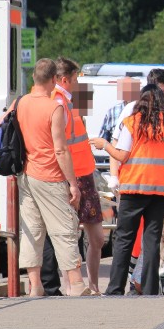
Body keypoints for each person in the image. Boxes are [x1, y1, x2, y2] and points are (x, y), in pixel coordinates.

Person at [0, 58, 89, 297]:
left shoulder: (21, 102)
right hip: (50, 175)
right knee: (65, 228)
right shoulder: (53, 107)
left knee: (32, 230)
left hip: (25, 175)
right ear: (54, 79)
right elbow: (60, 149)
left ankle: (35, 286)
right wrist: (73, 184)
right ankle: (76, 284)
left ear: (34, 78)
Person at [90, 84, 164, 296]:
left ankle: (115, 288)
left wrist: (104, 145)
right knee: (151, 240)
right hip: (161, 190)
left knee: (124, 238)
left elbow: (122, 155)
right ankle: (150, 289)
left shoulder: (132, 122)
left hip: (134, 187)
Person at [35, 57, 105, 296]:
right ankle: (71, 285)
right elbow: (58, 146)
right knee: (68, 234)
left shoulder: (67, 102)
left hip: (84, 175)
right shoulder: (57, 103)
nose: (77, 83)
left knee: (96, 237)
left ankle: (92, 285)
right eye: (75, 79)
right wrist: (68, 181)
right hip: (70, 177)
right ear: (65, 79)